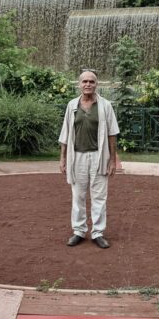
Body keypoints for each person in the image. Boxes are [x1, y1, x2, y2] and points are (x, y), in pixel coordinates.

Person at [58, 69, 119, 249]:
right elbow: (66, 133)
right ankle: (78, 231)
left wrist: (112, 160)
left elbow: (112, 134)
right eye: (84, 81)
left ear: (96, 84)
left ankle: (98, 232)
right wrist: (62, 158)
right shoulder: (71, 105)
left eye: (91, 82)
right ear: (79, 84)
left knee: (99, 196)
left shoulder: (105, 105)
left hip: (99, 157)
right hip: (76, 157)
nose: (88, 84)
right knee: (78, 195)